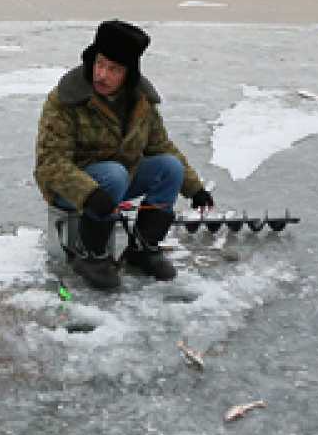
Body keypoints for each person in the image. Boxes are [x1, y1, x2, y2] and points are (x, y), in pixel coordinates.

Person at [34, 20, 215, 290]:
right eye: (99, 64)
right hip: (70, 189)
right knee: (114, 174)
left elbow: (162, 147)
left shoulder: (141, 102)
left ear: (128, 74)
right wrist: (88, 193)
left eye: (113, 69)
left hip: (115, 183)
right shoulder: (66, 99)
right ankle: (92, 256)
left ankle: (143, 249)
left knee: (170, 167)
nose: (102, 75)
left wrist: (195, 188)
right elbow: (50, 163)